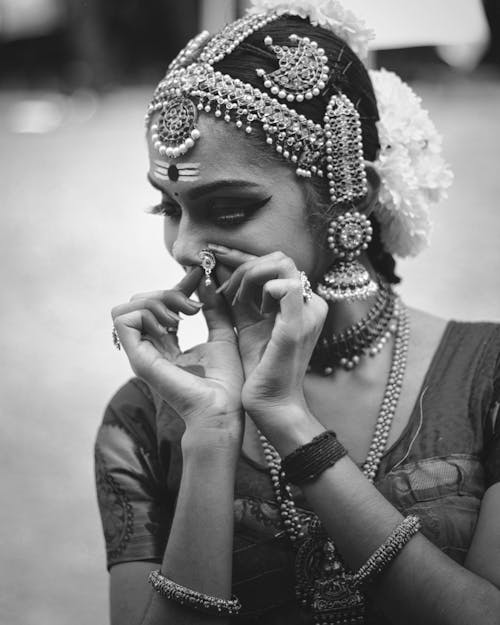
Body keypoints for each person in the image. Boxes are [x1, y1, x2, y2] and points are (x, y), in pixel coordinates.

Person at [95, 1, 500, 624]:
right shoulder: (146, 416)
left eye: (228, 211)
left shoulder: (488, 378)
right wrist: (210, 435)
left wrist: (290, 423)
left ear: (347, 193)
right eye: (169, 208)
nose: (184, 249)